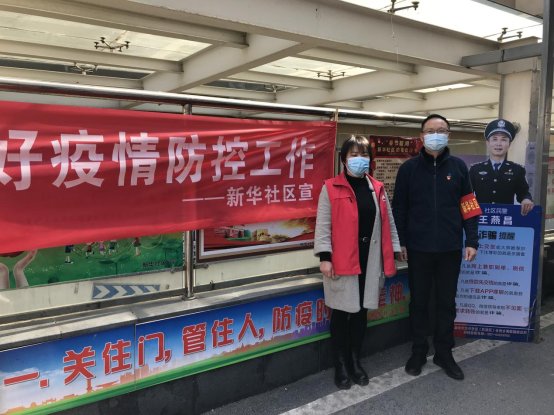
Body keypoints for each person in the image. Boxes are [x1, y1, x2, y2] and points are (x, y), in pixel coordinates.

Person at [392, 114, 480, 381]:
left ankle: (444, 352)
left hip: (449, 249)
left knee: (446, 303)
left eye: (441, 130)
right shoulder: (408, 169)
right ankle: (418, 351)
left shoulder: (459, 167)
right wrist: (400, 242)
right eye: (430, 131)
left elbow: (469, 207)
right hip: (418, 249)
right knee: (419, 302)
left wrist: (472, 240)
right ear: (421, 136)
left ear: (448, 135)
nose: (436, 135)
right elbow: (399, 209)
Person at [314, 135, 400, 389]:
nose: (359, 159)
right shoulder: (331, 187)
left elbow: (389, 222)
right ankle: (340, 365)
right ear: (343, 159)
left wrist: (395, 249)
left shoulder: (377, 188)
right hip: (342, 262)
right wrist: (325, 258)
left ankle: (355, 361)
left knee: (362, 312)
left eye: (364, 155)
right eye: (353, 155)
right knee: (341, 314)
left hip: (370, 260)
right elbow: (323, 225)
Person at [469, 118, 534, 215]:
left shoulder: (517, 170)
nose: (498, 144)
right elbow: (467, 195)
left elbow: (523, 192)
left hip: (505, 219)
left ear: (509, 144)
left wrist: (526, 199)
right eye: (494, 139)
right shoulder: (475, 169)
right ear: (488, 143)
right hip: (481, 219)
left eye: (503, 140)